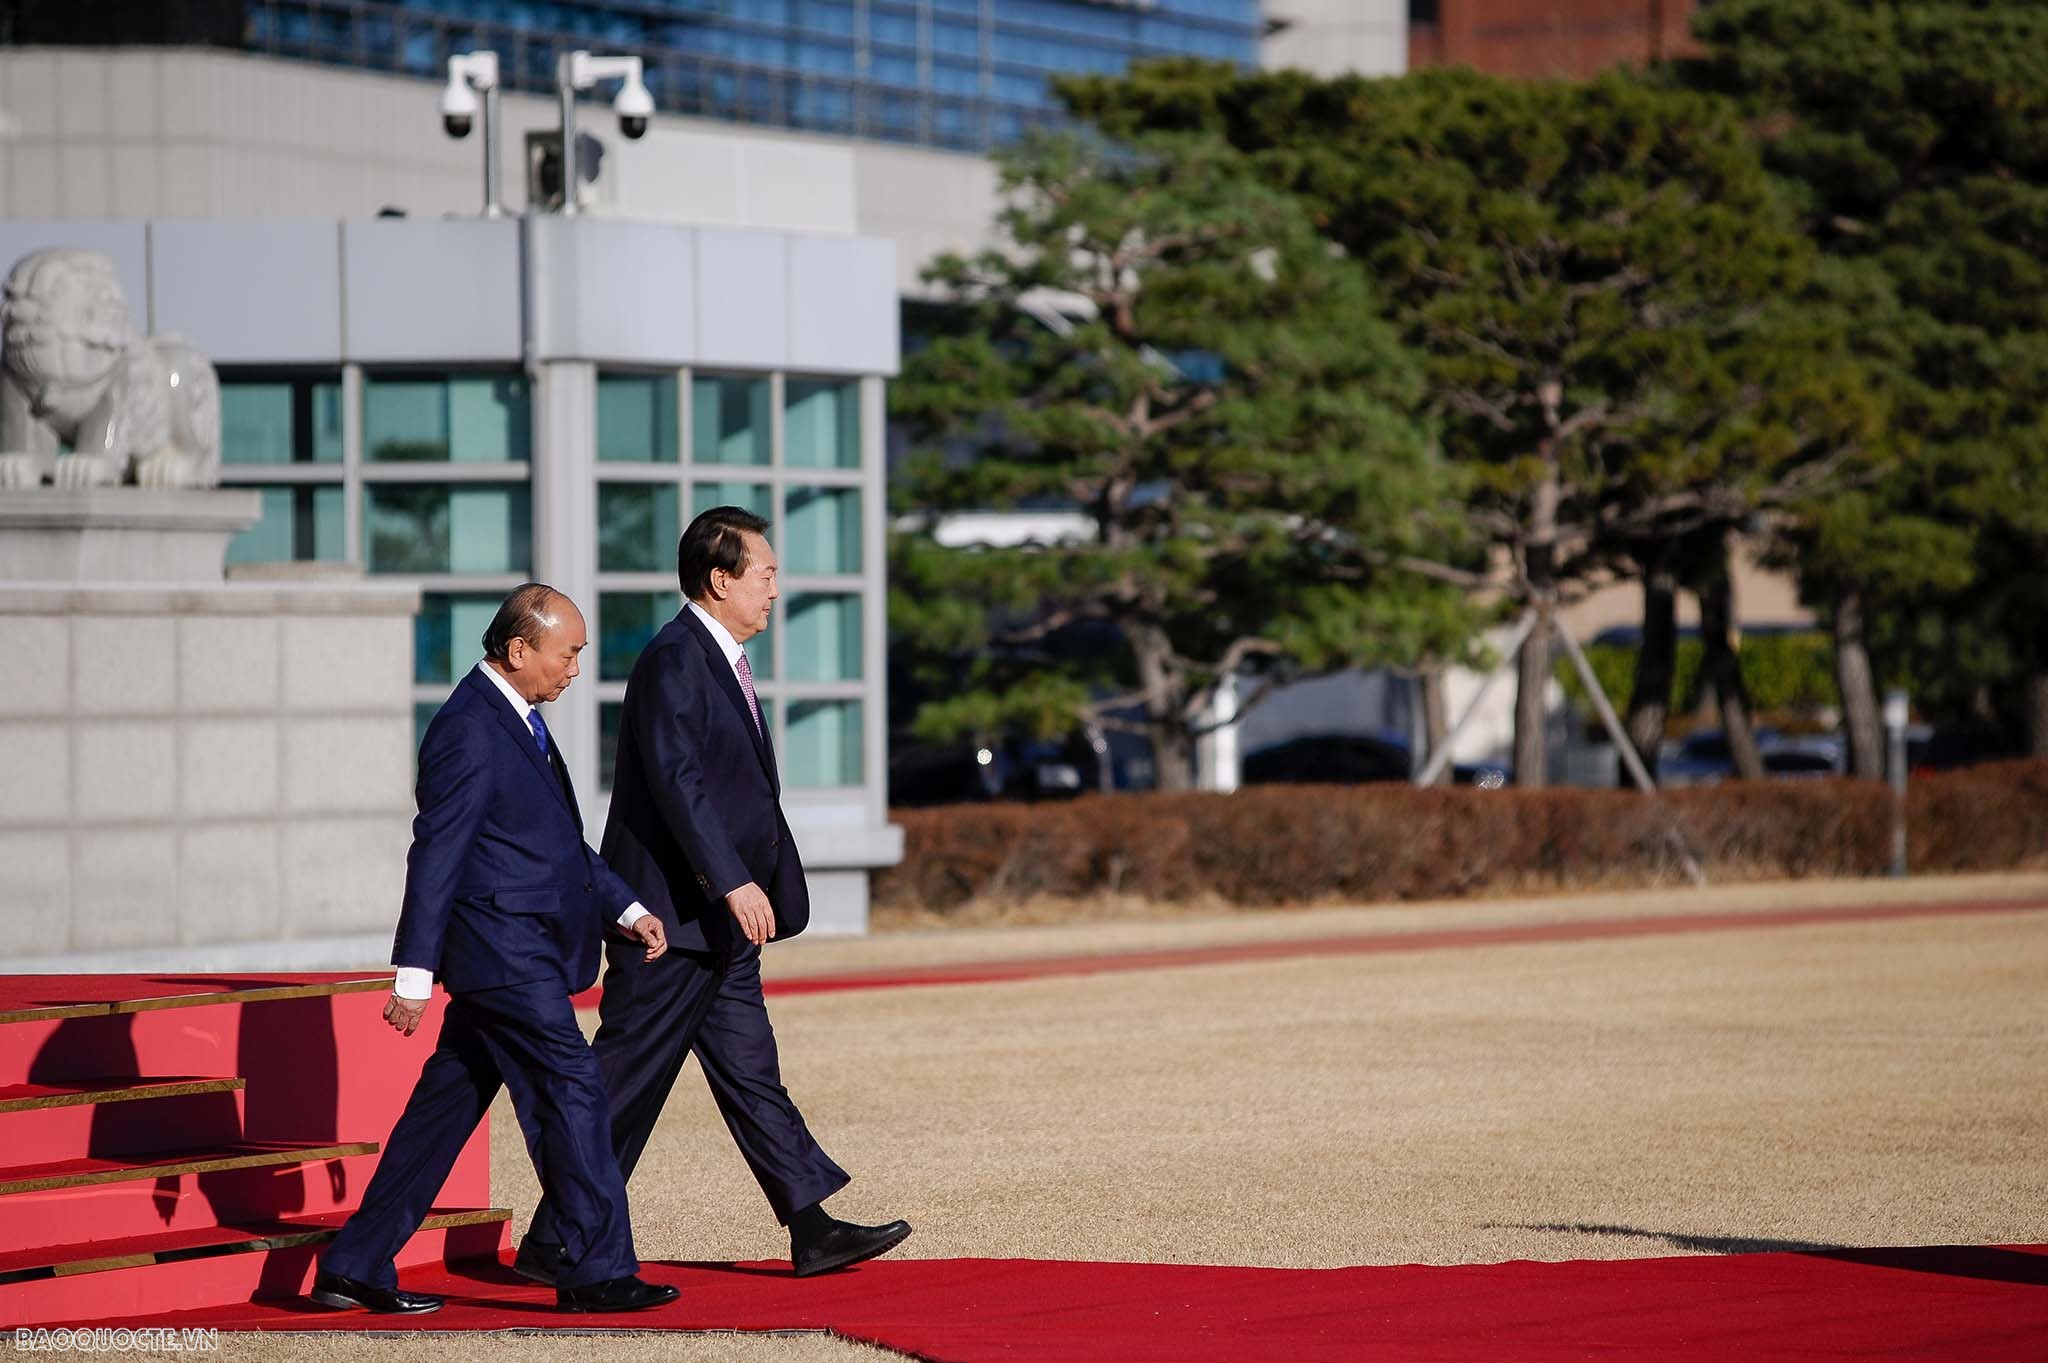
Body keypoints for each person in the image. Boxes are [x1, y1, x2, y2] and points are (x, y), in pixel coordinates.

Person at [515, 507, 910, 1285]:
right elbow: (676, 781)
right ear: (719, 577)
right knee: (623, 1084)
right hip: (672, 920)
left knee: (751, 1071)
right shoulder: (675, 660)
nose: (773, 587)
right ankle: (554, 1242)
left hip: (717, 926)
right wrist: (730, 878)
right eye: (763, 572)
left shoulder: (717, 659)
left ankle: (811, 1225)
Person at [311, 584, 680, 1316]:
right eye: (567, 651)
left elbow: (551, 843)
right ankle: (593, 1268)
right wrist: (413, 973)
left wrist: (627, 906)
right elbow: (437, 851)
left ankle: (354, 1262)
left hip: (511, 953)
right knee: (571, 1086)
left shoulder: (517, 721)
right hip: (504, 953)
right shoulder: (469, 729)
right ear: (519, 649)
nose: (576, 666)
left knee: (444, 1108)